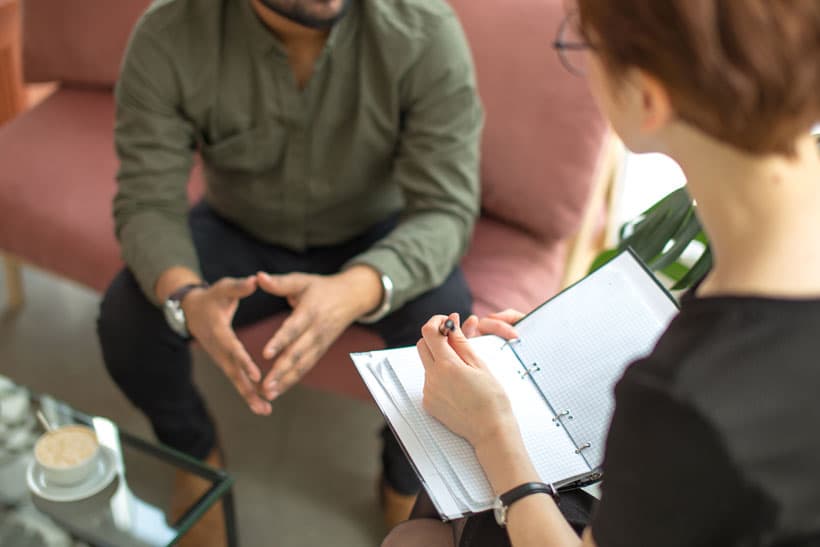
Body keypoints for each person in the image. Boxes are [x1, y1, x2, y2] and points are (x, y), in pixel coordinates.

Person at [384, 1, 820, 546]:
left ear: (648, 99)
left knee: (415, 539)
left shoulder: (686, 395)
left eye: (584, 47)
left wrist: (493, 430)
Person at [96, 0, 482, 540]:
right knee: (127, 319)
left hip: (374, 234)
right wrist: (186, 296)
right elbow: (147, 202)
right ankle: (194, 452)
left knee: (447, 323)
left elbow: (445, 208)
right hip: (238, 228)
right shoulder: (170, 34)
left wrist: (355, 288)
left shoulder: (423, 29)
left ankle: (405, 477)